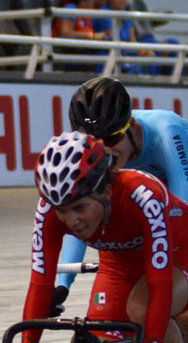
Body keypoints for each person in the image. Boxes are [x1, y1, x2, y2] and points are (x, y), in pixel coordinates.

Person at [24, 130, 188, 343]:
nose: (71, 221)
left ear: (107, 193)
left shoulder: (143, 197)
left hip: (178, 252)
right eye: (61, 210)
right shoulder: (48, 210)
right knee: (93, 337)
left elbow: (160, 286)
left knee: (142, 311)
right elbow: (40, 285)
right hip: (120, 263)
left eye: (80, 208)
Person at [52, 77, 188, 320]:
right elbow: (82, 217)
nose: (105, 151)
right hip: (157, 211)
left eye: (112, 139)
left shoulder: (167, 132)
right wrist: (63, 284)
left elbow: (181, 207)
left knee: (159, 311)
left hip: (179, 209)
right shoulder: (95, 153)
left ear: (133, 127)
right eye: (96, 143)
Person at [96, 0, 155, 74]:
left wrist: (144, 52)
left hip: (126, 51)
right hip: (109, 52)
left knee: (151, 55)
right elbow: (111, 40)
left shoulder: (127, 16)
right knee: (131, 61)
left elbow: (133, 41)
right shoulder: (105, 14)